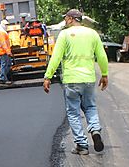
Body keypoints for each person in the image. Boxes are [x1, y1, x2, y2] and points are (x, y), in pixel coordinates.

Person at [43, 9, 109, 155]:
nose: (65, 20)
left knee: (73, 112)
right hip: (89, 79)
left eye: (66, 18)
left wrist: (48, 76)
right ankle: (95, 130)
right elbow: (102, 56)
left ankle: (82, 145)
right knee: (90, 107)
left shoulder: (65, 35)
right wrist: (104, 74)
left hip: (71, 80)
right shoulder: (92, 34)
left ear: (71, 18)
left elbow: (56, 57)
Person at [0, 19, 13, 84]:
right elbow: (3, 43)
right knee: (4, 64)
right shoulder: (1, 32)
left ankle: (4, 77)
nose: (6, 26)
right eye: (6, 25)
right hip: (3, 51)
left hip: (4, 51)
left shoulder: (1, 31)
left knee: (7, 64)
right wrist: (8, 51)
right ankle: (2, 78)